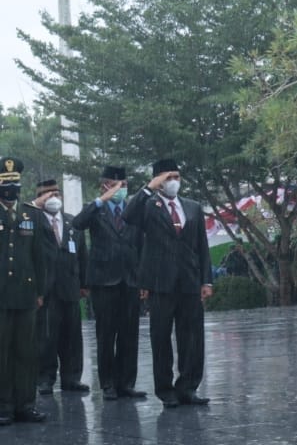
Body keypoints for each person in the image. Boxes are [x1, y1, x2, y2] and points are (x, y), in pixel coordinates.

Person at [124, 158, 214, 408]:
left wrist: (206, 280)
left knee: (192, 337)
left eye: (177, 177)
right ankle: (166, 391)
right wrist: (147, 188)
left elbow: (202, 247)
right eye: (168, 177)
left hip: (190, 281)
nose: (174, 182)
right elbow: (128, 216)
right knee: (161, 337)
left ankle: (189, 386)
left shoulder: (193, 207)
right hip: (160, 282)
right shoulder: (148, 206)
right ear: (158, 181)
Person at [72, 166, 144, 400]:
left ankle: (127, 383)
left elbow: (141, 245)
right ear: (104, 186)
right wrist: (101, 200)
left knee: (129, 333)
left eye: (124, 185)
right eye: (116, 185)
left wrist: (143, 280)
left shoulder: (133, 210)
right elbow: (78, 223)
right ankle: (108, 384)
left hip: (130, 279)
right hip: (104, 281)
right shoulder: (96, 210)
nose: (121, 189)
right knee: (106, 334)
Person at [0, 157, 47, 425]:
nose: (10, 191)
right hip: (1, 295)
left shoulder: (32, 214)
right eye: (5, 185)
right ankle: (4, 405)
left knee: (26, 351)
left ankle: (25, 404)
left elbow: (40, 257)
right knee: (2, 351)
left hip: (26, 294)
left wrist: (40, 291)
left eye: (14, 185)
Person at [32, 179, 89, 395]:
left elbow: (82, 255)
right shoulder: (33, 220)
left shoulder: (72, 222)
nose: (53, 197)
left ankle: (72, 378)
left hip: (70, 287)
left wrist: (84, 283)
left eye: (56, 193)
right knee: (46, 337)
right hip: (46, 289)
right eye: (47, 194)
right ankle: (45, 378)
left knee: (72, 336)